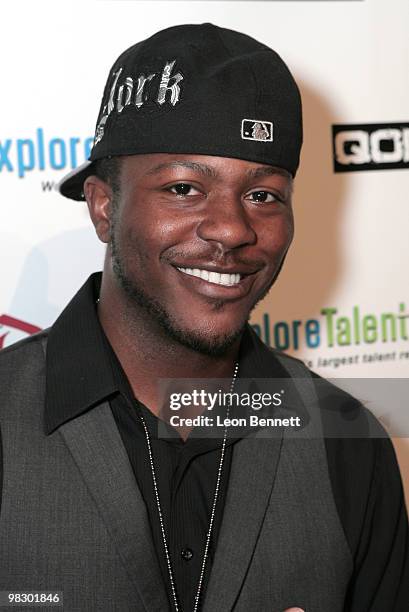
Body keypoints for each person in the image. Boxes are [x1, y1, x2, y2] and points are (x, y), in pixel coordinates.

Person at [0, 23, 407, 612]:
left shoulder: (348, 442)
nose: (233, 229)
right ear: (103, 207)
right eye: (186, 187)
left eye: (263, 194)